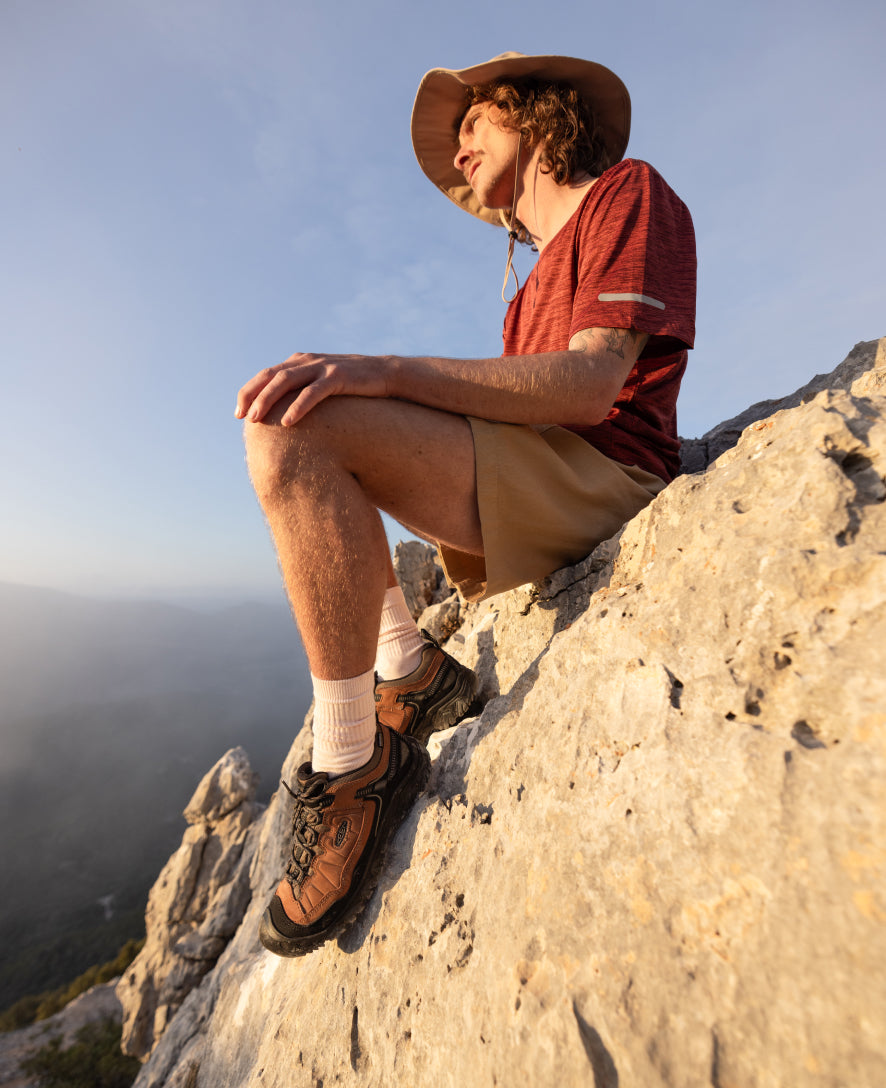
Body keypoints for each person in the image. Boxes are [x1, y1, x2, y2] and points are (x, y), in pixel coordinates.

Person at [237, 52, 696, 957]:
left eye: (474, 124)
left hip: (605, 474)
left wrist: (387, 373)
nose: (459, 153)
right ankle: (408, 671)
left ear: (534, 114)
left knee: (301, 429)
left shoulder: (628, 193)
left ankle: (353, 762)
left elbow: (592, 384)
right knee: (293, 422)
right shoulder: (525, 296)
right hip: (543, 473)